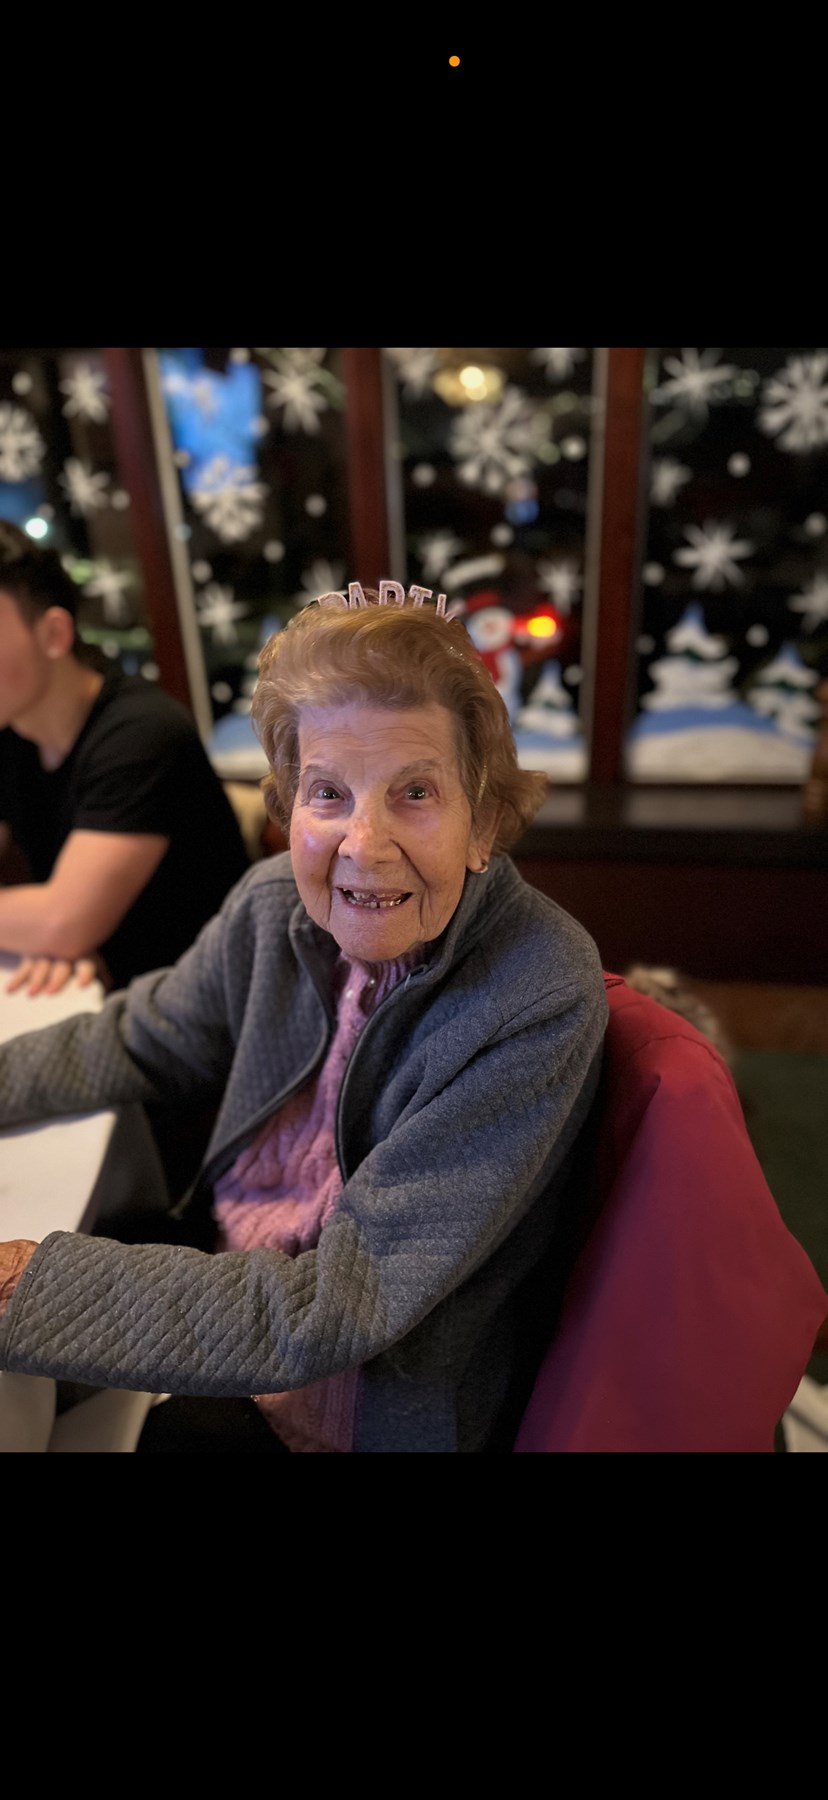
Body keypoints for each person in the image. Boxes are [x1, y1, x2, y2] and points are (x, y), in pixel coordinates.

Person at [0, 581, 608, 1454]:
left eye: (415, 792)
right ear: (288, 811)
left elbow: (338, 1307)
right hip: (231, 1262)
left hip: (357, 1397)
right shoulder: (273, 905)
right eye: (328, 793)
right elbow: (139, 1038)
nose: (364, 843)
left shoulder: (534, 994)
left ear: (485, 824)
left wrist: (15, 1285)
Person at [0, 519, 250, 997]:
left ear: (53, 633)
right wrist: (41, 931)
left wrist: (55, 932)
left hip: (203, 1004)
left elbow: (62, 921)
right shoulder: (11, 731)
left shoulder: (142, 733)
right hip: (100, 992)